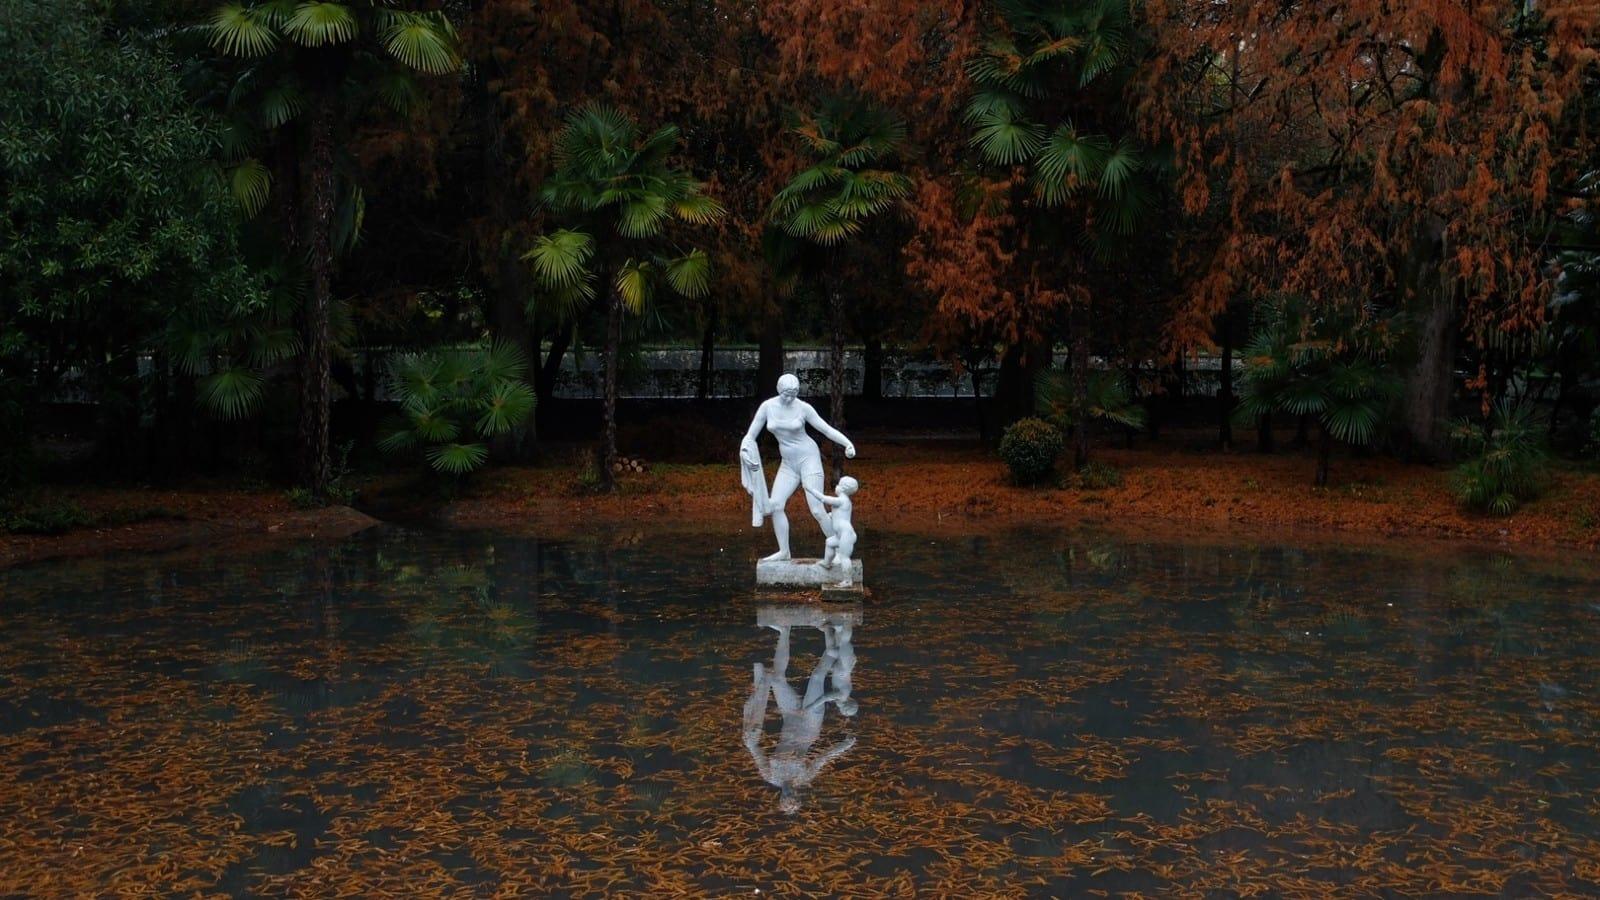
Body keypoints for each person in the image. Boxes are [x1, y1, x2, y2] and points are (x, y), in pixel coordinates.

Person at [743, 619, 856, 814]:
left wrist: (750, 739)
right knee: (817, 677)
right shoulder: (805, 777)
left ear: (780, 798)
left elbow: (754, 748)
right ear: (797, 795)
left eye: (786, 799)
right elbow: (824, 757)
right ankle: (834, 645)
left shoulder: (769, 775)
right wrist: (843, 746)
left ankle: (784, 632)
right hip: (810, 725)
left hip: (790, 717)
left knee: (777, 678)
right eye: (793, 798)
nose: (789, 795)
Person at [740, 374, 856, 561]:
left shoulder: (803, 408)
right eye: (787, 393)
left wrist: (847, 443)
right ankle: (784, 552)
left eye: (794, 393)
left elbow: (825, 429)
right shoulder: (767, 407)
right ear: (779, 390)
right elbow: (750, 437)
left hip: (809, 459)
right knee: (776, 506)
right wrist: (745, 453)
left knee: (817, 510)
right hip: (788, 464)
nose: (790, 397)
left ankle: (838, 547)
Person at [804, 477, 858, 585]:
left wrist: (810, 489)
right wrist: (832, 515)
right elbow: (841, 515)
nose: (836, 486)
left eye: (839, 484)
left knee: (844, 557)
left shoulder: (841, 500)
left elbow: (824, 499)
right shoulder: (844, 502)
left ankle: (848, 581)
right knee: (829, 543)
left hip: (846, 534)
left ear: (842, 488)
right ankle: (827, 563)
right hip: (841, 535)